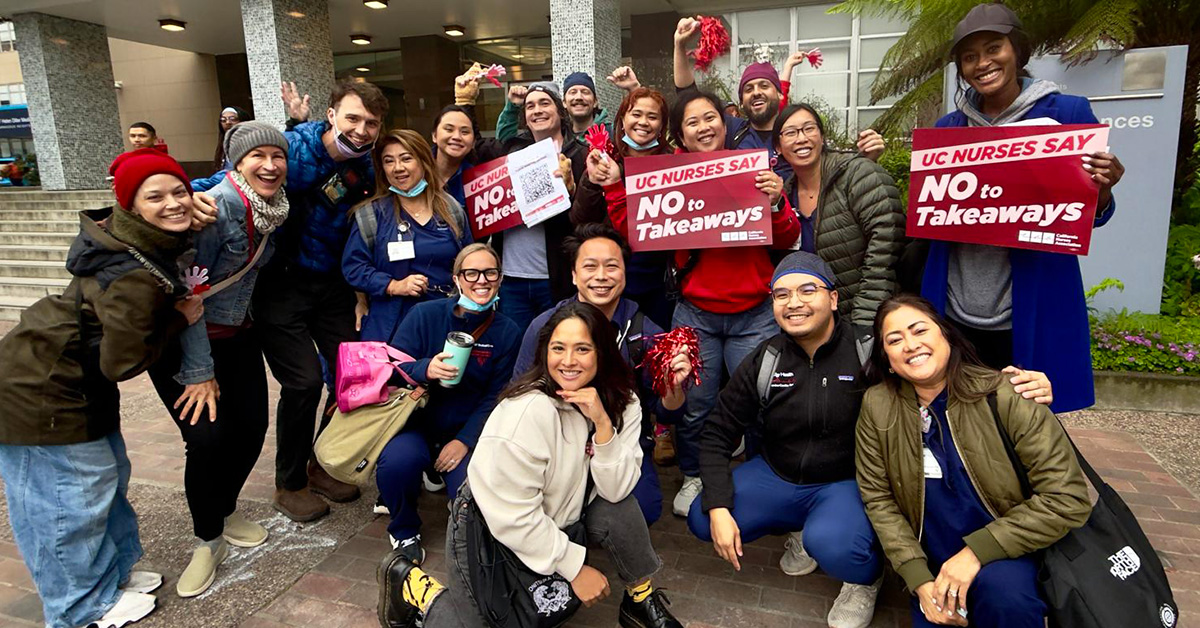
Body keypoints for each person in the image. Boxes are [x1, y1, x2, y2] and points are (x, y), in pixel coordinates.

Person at [378, 301, 683, 628]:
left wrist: (604, 428)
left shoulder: (624, 402)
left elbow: (616, 490)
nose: (568, 361)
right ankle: (413, 585)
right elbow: (512, 516)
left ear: (603, 353)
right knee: (484, 622)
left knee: (621, 510)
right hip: (490, 525)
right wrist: (575, 568)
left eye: (582, 348)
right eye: (558, 348)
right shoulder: (527, 409)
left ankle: (639, 599)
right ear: (544, 352)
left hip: (557, 515)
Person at [0, 148, 202, 628]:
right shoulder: (134, 270)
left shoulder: (139, 245)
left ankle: (109, 579)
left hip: (71, 385)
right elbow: (123, 360)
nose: (173, 203)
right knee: (68, 502)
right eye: (155, 196)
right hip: (41, 392)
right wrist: (177, 319)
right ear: (130, 205)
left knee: (106, 480)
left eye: (180, 191)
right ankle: (80, 607)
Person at [600, 88, 800, 517]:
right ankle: (693, 474)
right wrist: (616, 187)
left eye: (710, 118)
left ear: (724, 124)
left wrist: (778, 201)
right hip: (696, 314)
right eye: (692, 122)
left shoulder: (752, 169)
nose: (703, 127)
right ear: (682, 135)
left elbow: (785, 238)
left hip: (755, 313)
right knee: (693, 404)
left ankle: (762, 478)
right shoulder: (670, 174)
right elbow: (638, 231)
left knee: (761, 405)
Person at [921, 3, 1125, 413]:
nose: (983, 63)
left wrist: (1103, 188)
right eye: (969, 57)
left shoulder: (1067, 114)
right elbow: (932, 214)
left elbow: (1087, 213)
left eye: (993, 48)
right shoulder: (947, 130)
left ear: (1017, 50)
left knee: (1026, 417)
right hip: (955, 302)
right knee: (957, 412)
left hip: (1029, 302)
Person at [856, 294, 1091, 627]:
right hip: (932, 566)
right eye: (895, 340)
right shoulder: (877, 405)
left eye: (919, 330)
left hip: (1007, 554)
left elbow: (1067, 499)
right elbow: (879, 499)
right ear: (889, 360)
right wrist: (918, 579)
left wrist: (975, 553)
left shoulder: (1008, 394)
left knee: (1007, 600)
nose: (910, 344)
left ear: (946, 335)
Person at [146, 122, 289, 598]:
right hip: (186, 342)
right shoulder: (218, 208)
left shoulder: (271, 207)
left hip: (237, 333)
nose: (269, 165)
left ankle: (225, 509)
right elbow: (190, 295)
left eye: (278, 155)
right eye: (257, 156)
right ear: (235, 162)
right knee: (207, 438)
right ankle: (207, 540)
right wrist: (200, 373)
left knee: (250, 427)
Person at [255, 79, 387, 522]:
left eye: (371, 122)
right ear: (330, 115)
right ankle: (288, 482)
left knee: (352, 378)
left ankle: (320, 464)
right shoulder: (291, 149)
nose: (362, 129)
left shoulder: (367, 168)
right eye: (352, 118)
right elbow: (234, 178)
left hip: (330, 285)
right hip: (281, 284)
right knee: (303, 383)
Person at [513, 224, 691, 525]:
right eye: (589, 266)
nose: (601, 276)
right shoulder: (544, 327)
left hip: (619, 441)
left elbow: (669, 414)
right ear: (573, 274)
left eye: (612, 266)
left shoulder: (647, 336)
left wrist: (673, 389)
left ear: (625, 273)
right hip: (554, 440)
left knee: (643, 508)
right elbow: (518, 391)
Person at [375, 243, 520, 561]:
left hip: (465, 429)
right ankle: (404, 529)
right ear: (457, 279)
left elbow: (498, 397)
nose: (481, 280)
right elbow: (391, 370)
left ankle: (457, 510)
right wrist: (424, 368)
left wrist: (465, 441)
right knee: (397, 464)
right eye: (471, 272)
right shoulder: (424, 315)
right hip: (417, 425)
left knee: (471, 493)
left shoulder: (507, 332)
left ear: (499, 279)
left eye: (490, 273)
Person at [672, 17, 886, 176]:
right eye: (748, 89)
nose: (756, 92)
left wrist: (865, 157)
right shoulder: (733, 131)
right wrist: (680, 46)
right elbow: (688, 99)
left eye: (764, 85)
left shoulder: (799, 135)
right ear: (742, 102)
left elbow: (834, 172)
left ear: (779, 92)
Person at [459, 78, 586, 330]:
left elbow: (588, 217)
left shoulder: (580, 154)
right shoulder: (511, 150)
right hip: (512, 279)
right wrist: (466, 103)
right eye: (530, 106)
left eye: (544, 103)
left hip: (557, 278)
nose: (537, 110)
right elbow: (473, 146)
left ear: (560, 111)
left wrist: (571, 191)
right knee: (518, 351)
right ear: (525, 117)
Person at [773, 103, 905, 328]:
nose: (801, 138)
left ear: (822, 137)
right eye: (791, 133)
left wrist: (864, 319)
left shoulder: (857, 173)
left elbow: (886, 245)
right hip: (814, 324)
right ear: (778, 146)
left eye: (809, 129)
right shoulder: (783, 195)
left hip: (866, 315)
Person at [342, 130, 471, 343]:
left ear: (423, 161)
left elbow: (469, 261)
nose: (398, 168)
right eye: (388, 161)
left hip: (446, 320)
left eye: (406, 158)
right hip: (393, 325)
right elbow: (353, 267)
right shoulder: (371, 215)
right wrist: (392, 285)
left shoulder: (451, 209)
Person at [571, 84, 675, 329]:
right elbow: (580, 220)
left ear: (662, 125)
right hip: (610, 273)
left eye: (652, 117)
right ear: (622, 119)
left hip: (658, 279)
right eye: (636, 114)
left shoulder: (674, 162)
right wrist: (592, 179)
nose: (643, 122)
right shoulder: (604, 158)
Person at [190, 105, 253, 192]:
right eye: (223, 120)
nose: (228, 122)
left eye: (232, 119)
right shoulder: (223, 144)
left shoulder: (251, 141)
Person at [430, 105, 478, 206]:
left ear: (473, 142)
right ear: (434, 135)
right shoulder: (416, 169)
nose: (457, 137)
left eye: (464, 132)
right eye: (449, 129)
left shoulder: (478, 183)